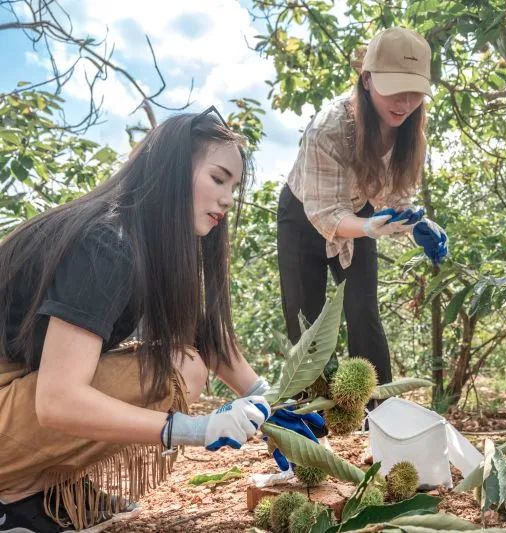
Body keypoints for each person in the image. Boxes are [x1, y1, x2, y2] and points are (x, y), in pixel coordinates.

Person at [0, 108, 276, 532]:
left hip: (15, 391)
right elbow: (57, 399)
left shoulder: (147, 244)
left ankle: (39, 487)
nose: (226, 198)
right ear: (171, 169)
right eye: (218, 178)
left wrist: (273, 405)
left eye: (233, 187)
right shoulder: (108, 243)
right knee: (167, 374)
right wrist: (194, 429)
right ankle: (15, 496)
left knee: (184, 365)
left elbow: (206, 340)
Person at [278, 27, 448, 388]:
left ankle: (377, 411)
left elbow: (394, 194)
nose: (404, 104)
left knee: (363, 312)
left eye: (414, 93)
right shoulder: (330, 127)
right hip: (304, 217)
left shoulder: (409, 130)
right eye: (395, 91)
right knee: (306, 321)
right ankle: (309, 415)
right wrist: (369, 227)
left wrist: (415, 223)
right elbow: (325, 213)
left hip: (361, 215)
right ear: (367, 79)